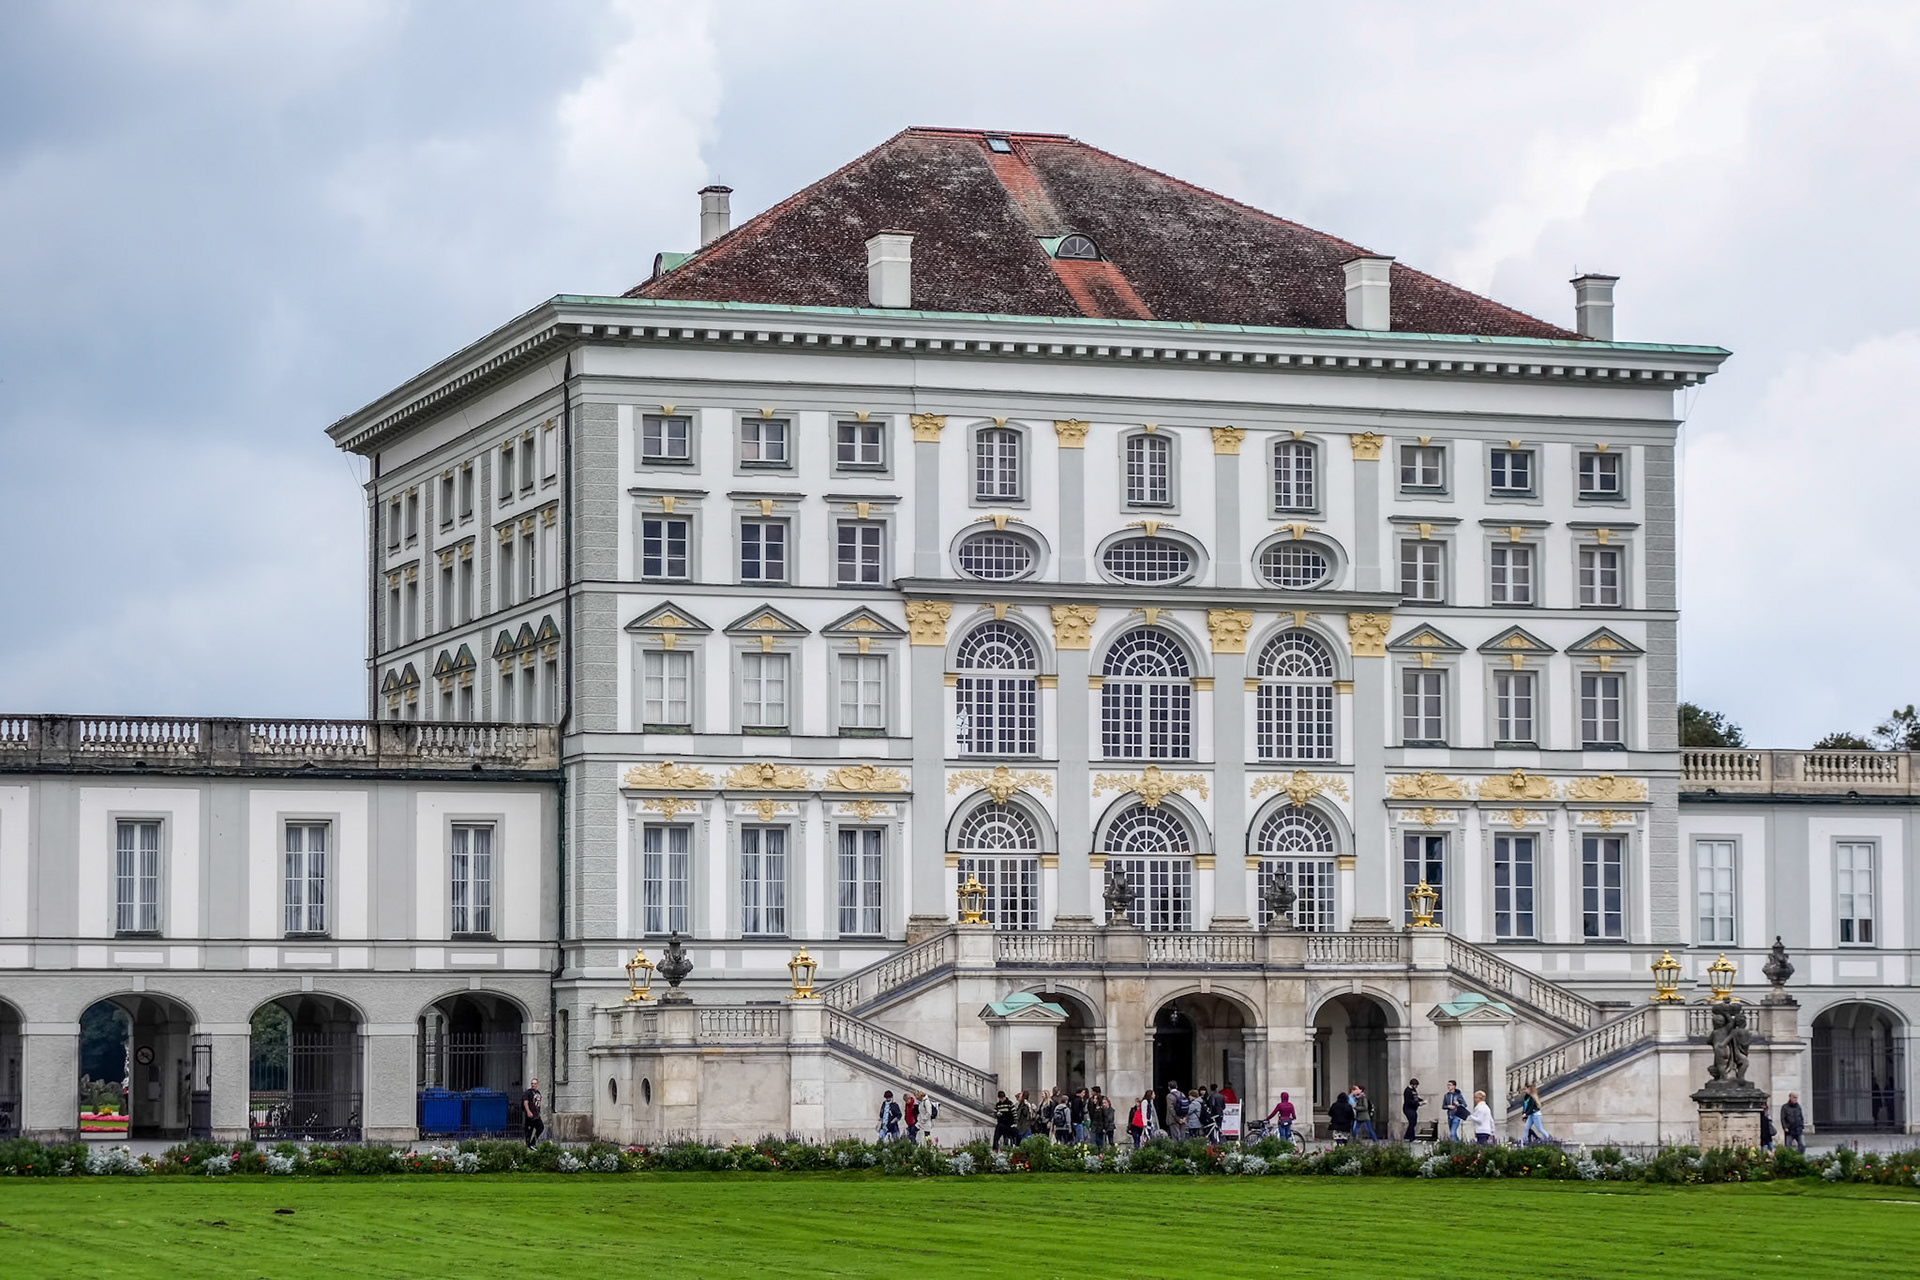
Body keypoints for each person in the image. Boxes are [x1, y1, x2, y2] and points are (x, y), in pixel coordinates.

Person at [521, 1077, 544, 1149]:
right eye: (532, 1083)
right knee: (529, 1131)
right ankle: (528, 1146)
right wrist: (528, 1111)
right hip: (530, 1116)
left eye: (535, 1083)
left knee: (540, 1127)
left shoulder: (538, 1093)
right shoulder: (528, 1093)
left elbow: (538, 1104)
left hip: (536, 1115)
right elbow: (525, 1102)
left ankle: (533, 1143)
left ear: (537, 1084)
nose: (533, 1085)